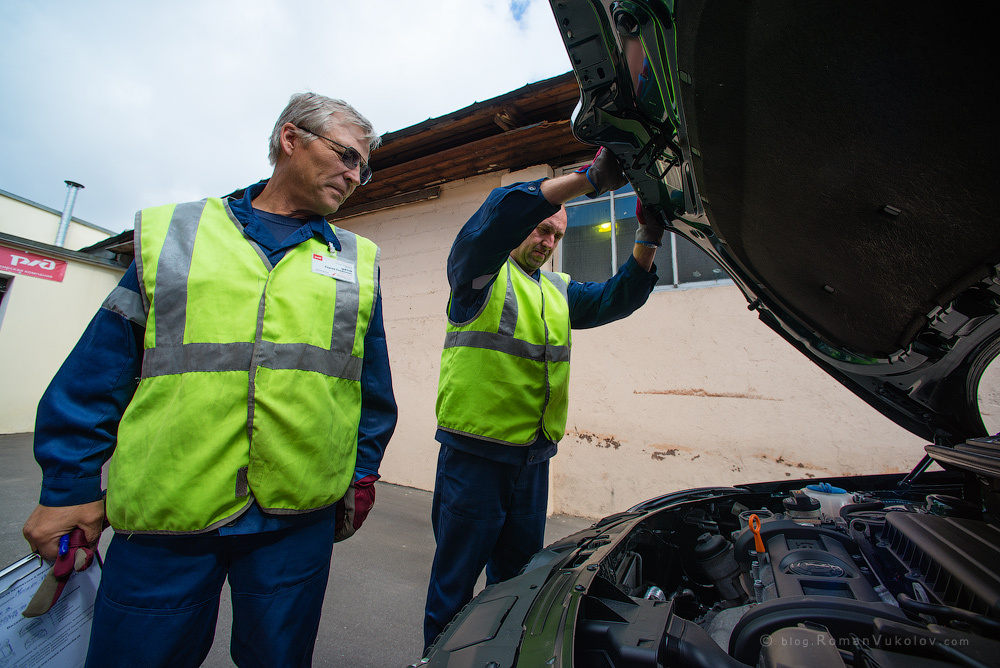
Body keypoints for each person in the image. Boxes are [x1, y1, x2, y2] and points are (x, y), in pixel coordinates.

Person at [21, 92, 398, 668]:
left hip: (296, 516)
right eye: (347, 156)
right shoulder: (176, 235)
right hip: (169, 511)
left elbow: (370, 390)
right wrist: (69, 488)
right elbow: (96, 374)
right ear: (290, 139)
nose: (354, 176)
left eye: (362, 168)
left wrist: (362, 473)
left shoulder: (356, 260)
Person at [422, 148, 664, 650]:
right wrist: (589, 180)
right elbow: (495, 216)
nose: (548, 242)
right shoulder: (479, 275)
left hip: (532, 462)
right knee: (454, 591)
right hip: (476, 459)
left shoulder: (557, 290)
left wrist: (648, 237)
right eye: (541, 229)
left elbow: (617, 297)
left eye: (557, 236)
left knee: (517, 587)